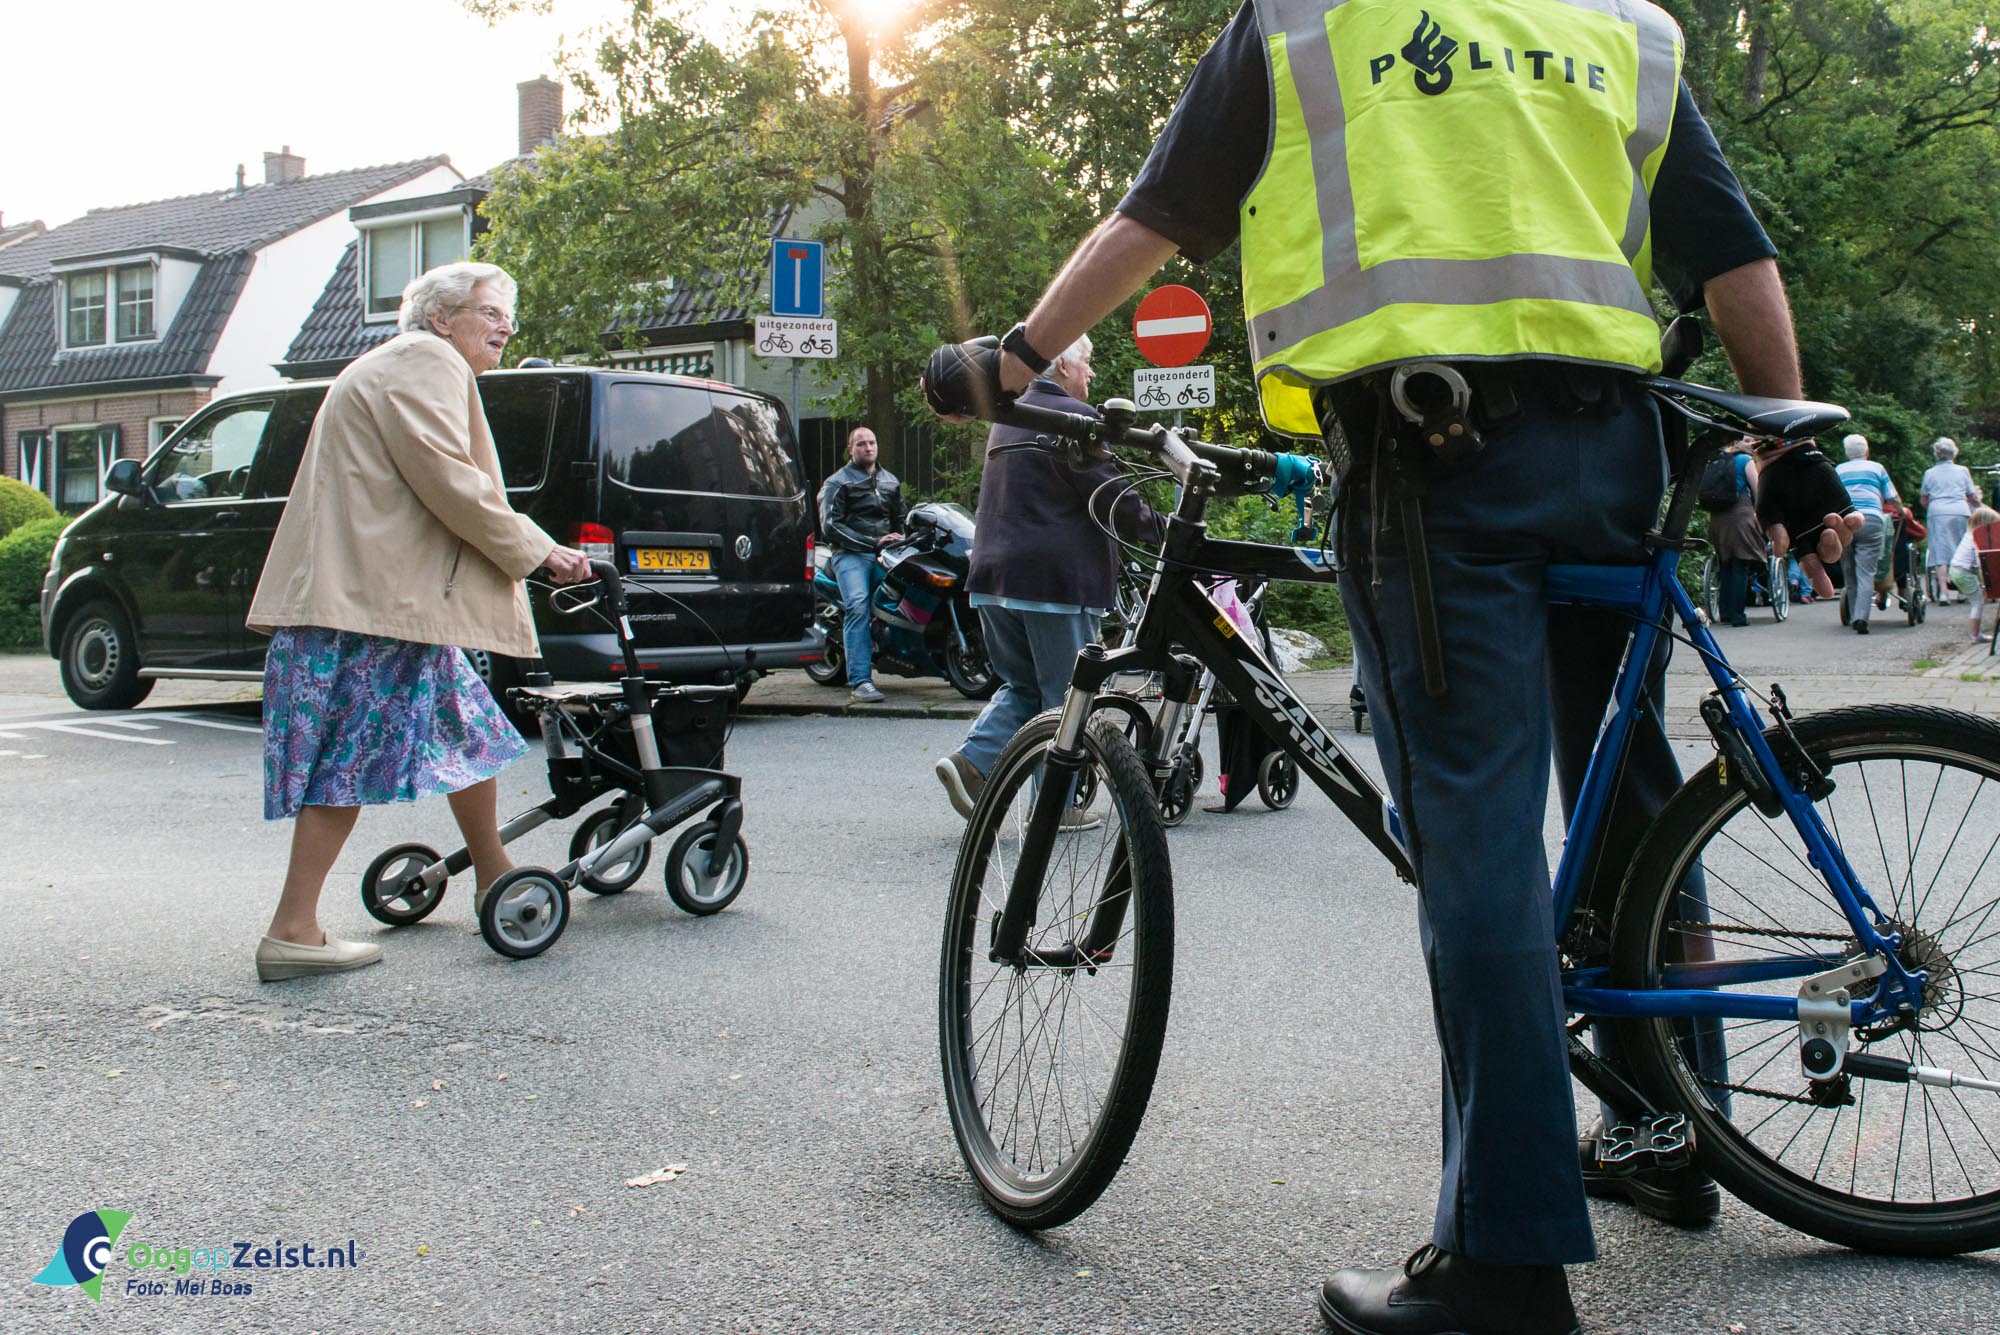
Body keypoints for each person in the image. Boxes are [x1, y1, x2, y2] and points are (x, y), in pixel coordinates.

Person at [922, 5, 1856, 1332]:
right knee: (1626, 788)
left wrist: (1016, 356)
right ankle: (1668, 1122)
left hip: (1438, 457)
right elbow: (1729, 251)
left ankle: (1504, 1254)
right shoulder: (1616, 25)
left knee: (1472, 823)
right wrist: (1782, 445)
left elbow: (1160, 213)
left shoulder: (1311, 14)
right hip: (1615, 450)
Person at [245, 261, 591, 981]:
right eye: (491, 312)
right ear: (441, 318)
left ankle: (493, 874)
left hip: (375, 599)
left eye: (507, 315)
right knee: (345, 761)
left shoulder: (393, 365)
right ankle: (293, 929)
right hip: (372, 606)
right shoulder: (424, 361)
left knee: (471, 732)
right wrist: (538, 549)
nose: (506, 327)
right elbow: (448, 477)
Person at [933, 335, 1160, 821]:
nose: (1092, 375)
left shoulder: (1008, 418)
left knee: (1021, 686)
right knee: (1066, 696)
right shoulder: (1070, 421)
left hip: (993, 577)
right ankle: (1056, 806)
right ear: (1061, 365)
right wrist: (1166, 532)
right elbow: (1114, 499)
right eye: (1088, 363)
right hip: (1053, 583)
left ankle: (971, 761)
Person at [817, 427, 905, 704]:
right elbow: (831, 527)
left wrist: (902, 540)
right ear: (850, 449)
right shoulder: (837, 483)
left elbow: (900, 519)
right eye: (861, 444)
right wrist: (872, 542)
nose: (868, 448)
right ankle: (860, 681)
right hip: (850, 555)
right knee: (857, 604)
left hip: (885, 555)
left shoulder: (890, 481)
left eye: (872, 443)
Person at [1836, 433, 1901, 634]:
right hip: (1872, 521)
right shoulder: (1876, 468)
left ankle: (1854, 612)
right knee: (1866, 572)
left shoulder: (1839, 470)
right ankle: (1860, 617)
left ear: (1847, 453)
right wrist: (1902, 509)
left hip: (1845, 522)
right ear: (1866, 451)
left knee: (1849, 571)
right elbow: (1892, 496)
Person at [1709, 440, 1763, 627]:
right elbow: (1758, 490)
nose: (1752, 443)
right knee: (1741, 564)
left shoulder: (1718, 460)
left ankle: (1725, 613)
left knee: (1725, 565)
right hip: (1740, 515)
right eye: (1748, 440)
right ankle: (1738, 616)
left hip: (1717, 518)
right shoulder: (1745, 460)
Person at [1920, 438, 1981, 603]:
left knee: (1940, 552)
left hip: (1937, 512)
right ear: (1954, 452)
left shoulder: (1929, 473)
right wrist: (1980, 505)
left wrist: (1934, 507)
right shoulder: (1962, 471)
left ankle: (1944, 593)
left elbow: (1924, 499)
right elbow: (1971, 495)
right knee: (1961, 550)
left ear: (1937, 454)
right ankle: (1962, 592)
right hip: (1960, 511)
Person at [1947, 505, 2000, 639]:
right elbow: (1981, 562)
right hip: (1963, 573)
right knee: (1978, 603)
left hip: (1956, 570)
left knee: (1977, 600)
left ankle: (1976, 633)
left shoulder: (1969, 534)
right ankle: (1975, 635)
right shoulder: (1977, 539)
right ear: (1986, 526)